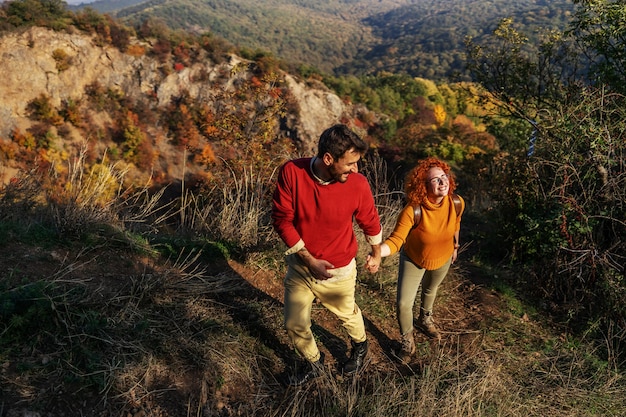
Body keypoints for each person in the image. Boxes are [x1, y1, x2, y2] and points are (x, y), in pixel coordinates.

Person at [272, 124, 382, 386]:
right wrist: (308, 259)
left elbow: (370, 220)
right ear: (328, 158)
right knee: (293, 323)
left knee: (347, 315)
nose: (355, 169)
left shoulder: (357, 184)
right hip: (301, 265)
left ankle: (360, 346)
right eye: (350, 163)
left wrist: (376, 252)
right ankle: (314, 362)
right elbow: (282, 219)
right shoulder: (292, 172)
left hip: (338, 270)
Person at [366, 156, 464, 363]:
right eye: (436, 179)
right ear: (423, 185)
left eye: (444, 176)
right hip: (414, 259)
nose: (443, 182)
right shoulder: (413, 211)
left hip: (444, 256)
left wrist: (455, 246)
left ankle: (425, 318)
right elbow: (395, 241)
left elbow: (456, 223)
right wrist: (377, 253)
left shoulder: (456, 203)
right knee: (403, 303)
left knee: (431, 289)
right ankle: (407, 340)